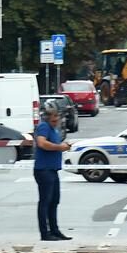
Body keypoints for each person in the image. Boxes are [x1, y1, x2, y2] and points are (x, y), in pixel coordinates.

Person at [33, 102, 72, 242]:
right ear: (47, 117)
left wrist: (63, 146)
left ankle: (55, 230)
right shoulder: (44, 127)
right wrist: (59, 147)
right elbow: (42, 143)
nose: (56, 120)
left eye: (58, 117)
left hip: (52, 169)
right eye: (54, 118)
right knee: (45, 201)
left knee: (54, 200)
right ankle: (45, 232)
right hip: (44, 169)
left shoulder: (54, 129)